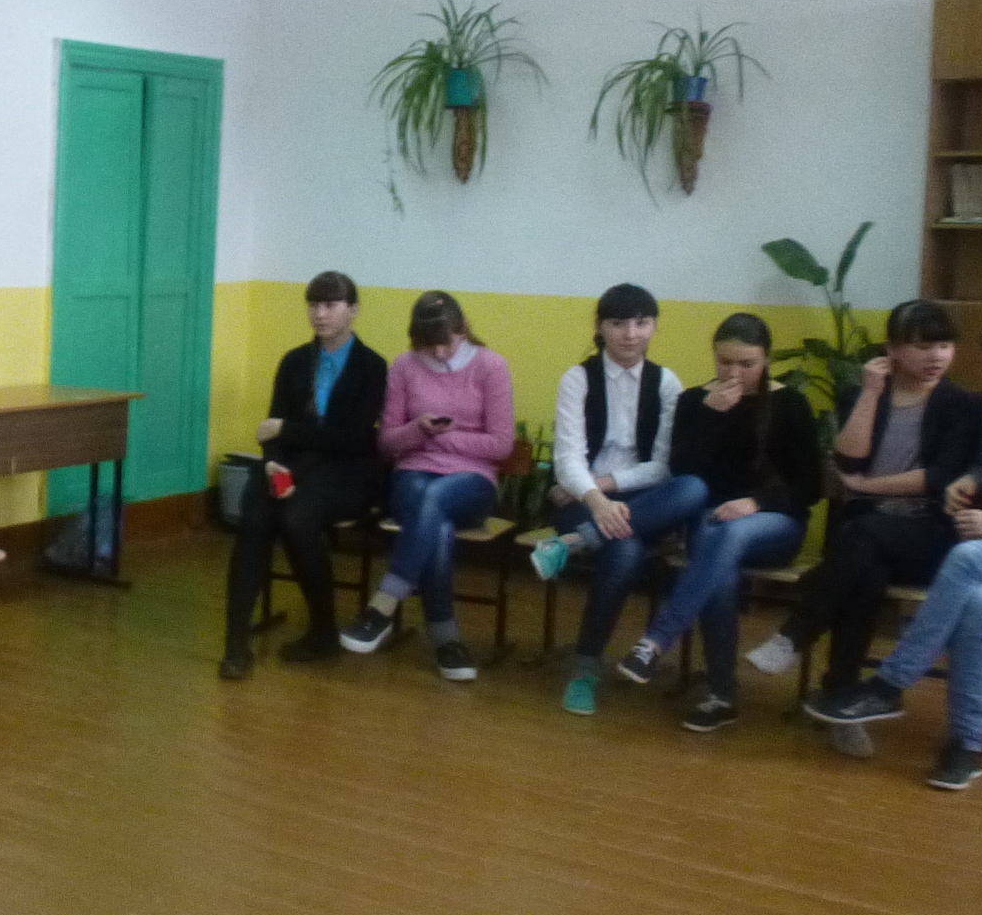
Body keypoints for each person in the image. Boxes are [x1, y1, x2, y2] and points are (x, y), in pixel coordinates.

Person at [812, 307, 982, 788]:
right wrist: (971, 479)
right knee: (980, 605)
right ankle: (967, 745)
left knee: (968, 557)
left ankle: (891, 683)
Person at [745, 300, 982, 711]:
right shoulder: (860, 394)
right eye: (922, 346)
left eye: (944, 346)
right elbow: (848, 462)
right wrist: (872, 393)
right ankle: (839, 697)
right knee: (866, 570)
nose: (936, 357)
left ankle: (793, 637)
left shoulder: (963, 404)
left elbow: (938, 477)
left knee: (861, 534)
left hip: (928, 537)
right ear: (892, 350)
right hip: (864, 540)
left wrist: (866, 487)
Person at [605, 314, 821, 729]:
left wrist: (755, 502)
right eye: (725, 362)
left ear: (766, 359)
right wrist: (711, 417)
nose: (735, 373)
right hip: (712, 525)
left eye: (747, 364)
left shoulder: (790, 403)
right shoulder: (694, 401)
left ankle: (656, 641)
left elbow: (809, 485)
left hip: (775, 524)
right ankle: (721, 694)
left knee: (726, 534)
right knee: (718, 553)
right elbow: (684, 475)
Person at [526, 284, 706, 715]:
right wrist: (594, 498)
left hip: (643, 500)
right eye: (618, 323)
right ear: (601, 327)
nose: (630, 333)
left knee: (692, 487)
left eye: (642, 323)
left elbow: (662, 466)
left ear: (655, 326)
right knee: (624, 553)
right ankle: (585, 669)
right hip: (581, 499)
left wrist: (604, 486)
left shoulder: (666, 383)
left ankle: (572, 544)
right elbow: (568, 458)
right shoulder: (578, 379)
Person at [218, 270, 387, 678]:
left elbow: (353, 440)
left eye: (330, 305)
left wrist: (286, 431)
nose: (319, 314)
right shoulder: (294, 361)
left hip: (348, 472)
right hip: (294, 464)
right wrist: (272, 459)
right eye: (313, 305)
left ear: (353, 310)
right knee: (256, 514)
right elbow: (271, 428)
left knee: (297, 518)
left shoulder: (372, 367)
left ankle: (323, 629)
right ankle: (236, 643)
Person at [338, 291, 514, 681]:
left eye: (445, 343)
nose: (437, 352)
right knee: (437, 524)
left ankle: (383, 606)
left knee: (434, 501)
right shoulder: (404, 365)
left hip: (472, 480)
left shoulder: (491, 366)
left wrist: (446, 438)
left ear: (463, 329)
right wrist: (418, 430)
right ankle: (447, 642)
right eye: (427, 344)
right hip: (413, 474)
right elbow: (387, 443)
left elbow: (501, 445)